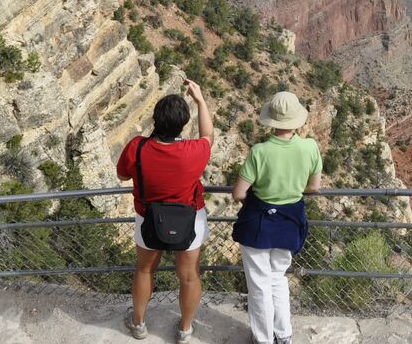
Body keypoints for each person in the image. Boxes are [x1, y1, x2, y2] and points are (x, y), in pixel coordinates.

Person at [116, 79, 213, 342]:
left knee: (145, 270)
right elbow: (208, 136)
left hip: (148, 217)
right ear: (183, 124)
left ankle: (138, 324)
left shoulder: (137, 147)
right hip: (190, 218)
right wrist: (200, 100)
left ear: (156, 120)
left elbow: (122, 175)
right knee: (189, 276)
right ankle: (185, 329)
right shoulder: (194, 150)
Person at [231, 91, 324, 344]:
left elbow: (238, 193)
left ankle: (263, 339)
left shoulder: (259, 151)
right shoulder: (310, 147)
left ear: (271, 120)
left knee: (259, 284)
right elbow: (314, 187)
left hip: (258, 225)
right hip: (289, 223)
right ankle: (284, 335)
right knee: (278, 279)